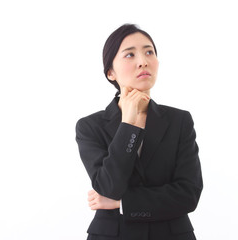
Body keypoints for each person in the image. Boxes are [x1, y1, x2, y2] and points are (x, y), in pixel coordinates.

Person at [75, 24, 203, 240]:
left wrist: (121, 203)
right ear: (110, 72)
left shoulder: (179, 120)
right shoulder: (90, 126)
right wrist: (128, 125)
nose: (143, 60)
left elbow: (188, 195)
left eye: (149, 52)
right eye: (129, 54)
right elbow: (109, 186)